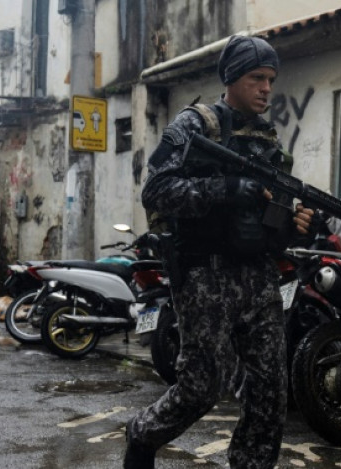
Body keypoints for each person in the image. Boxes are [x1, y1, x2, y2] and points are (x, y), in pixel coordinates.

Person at [125, 35, 313, 469]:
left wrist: (298, 223)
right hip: (204, 275)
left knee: (270, 389)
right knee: (202, 387)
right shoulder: (196, 124)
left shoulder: (267, 139)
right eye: (257, 78)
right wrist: (224, 188)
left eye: (271, 79)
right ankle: (143, 434)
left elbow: (271, 223)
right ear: (232, 78)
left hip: (259, 275)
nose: (266, 88)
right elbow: (156, 191)